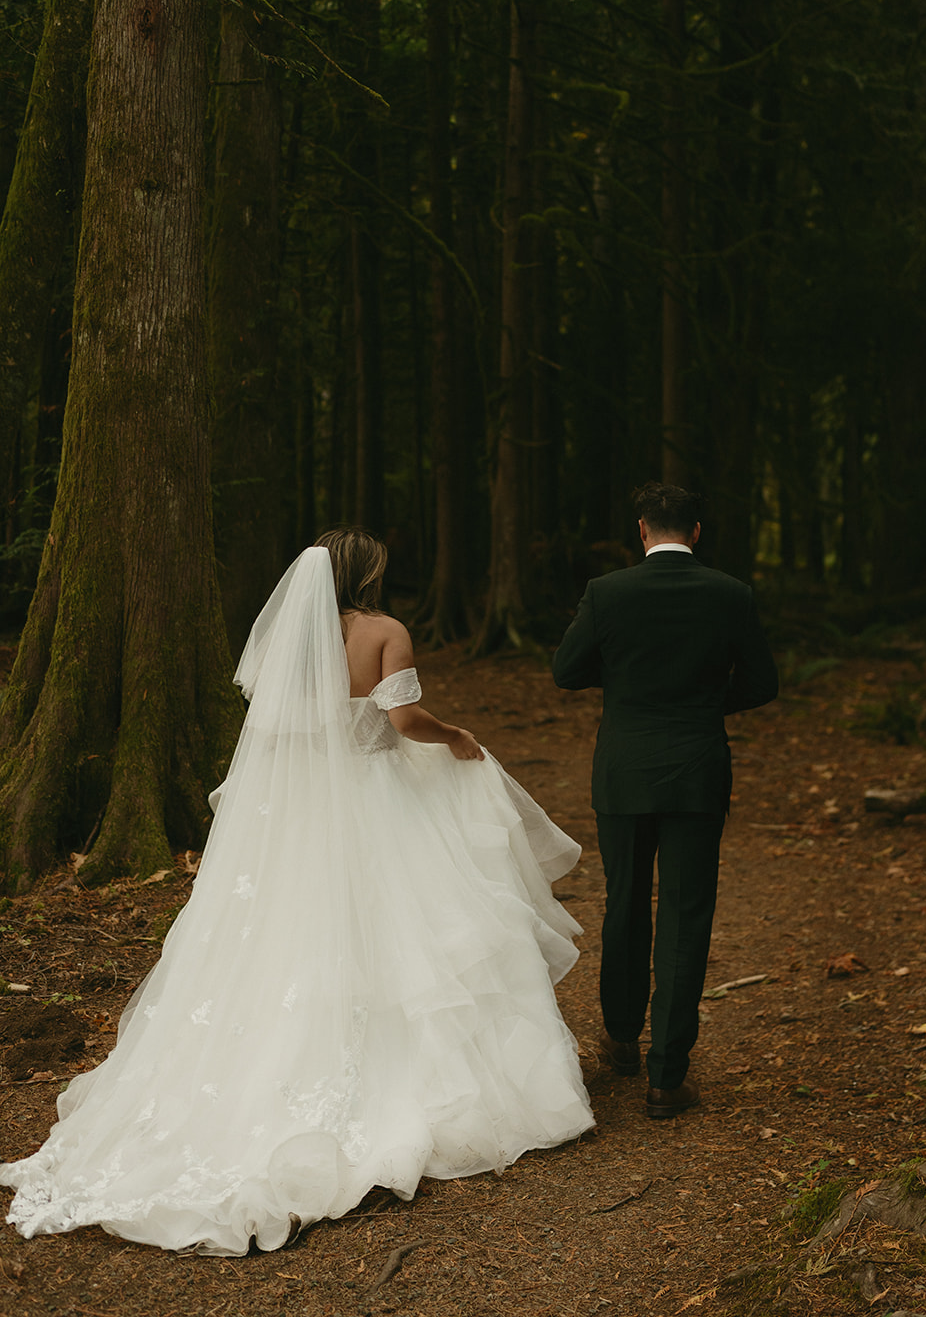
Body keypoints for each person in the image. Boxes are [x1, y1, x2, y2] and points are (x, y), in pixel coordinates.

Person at [0, 531, 593, 1254]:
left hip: (306, 806)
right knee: (407, 937)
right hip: (376, 802)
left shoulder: (293, 640)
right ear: (368, 574)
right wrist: (457, 736)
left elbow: (278, 729)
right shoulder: (385, 632)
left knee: (290, 937)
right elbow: (403, 721)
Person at [552, 483, 777, 1118]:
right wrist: (706, 702)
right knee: (685, 916)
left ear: (643, 531)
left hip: (624, 772)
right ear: (697, 532)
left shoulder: (608, 592)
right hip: (697, 773)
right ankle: (666, 1075)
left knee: (625, 901)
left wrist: (625, 683)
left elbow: (566, 670)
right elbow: (763, 681)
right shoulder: (731, 594)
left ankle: (621, 1040)